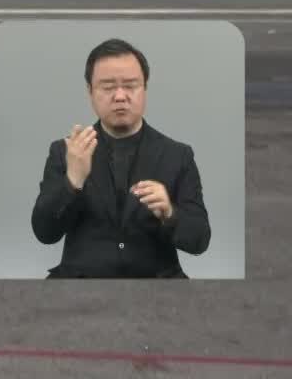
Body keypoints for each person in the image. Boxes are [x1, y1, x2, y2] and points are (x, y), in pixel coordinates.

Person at [30, 37, 211, 277]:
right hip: (81, 285)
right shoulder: (66, 152)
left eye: (130, 85)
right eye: (107, 87)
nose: (120, 96)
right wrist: (72, 182)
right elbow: (45, 233)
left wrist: (170, 212)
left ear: (145, 88)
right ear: (90, 92)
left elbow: (200, 241)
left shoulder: (178, 155)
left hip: (157, 285)